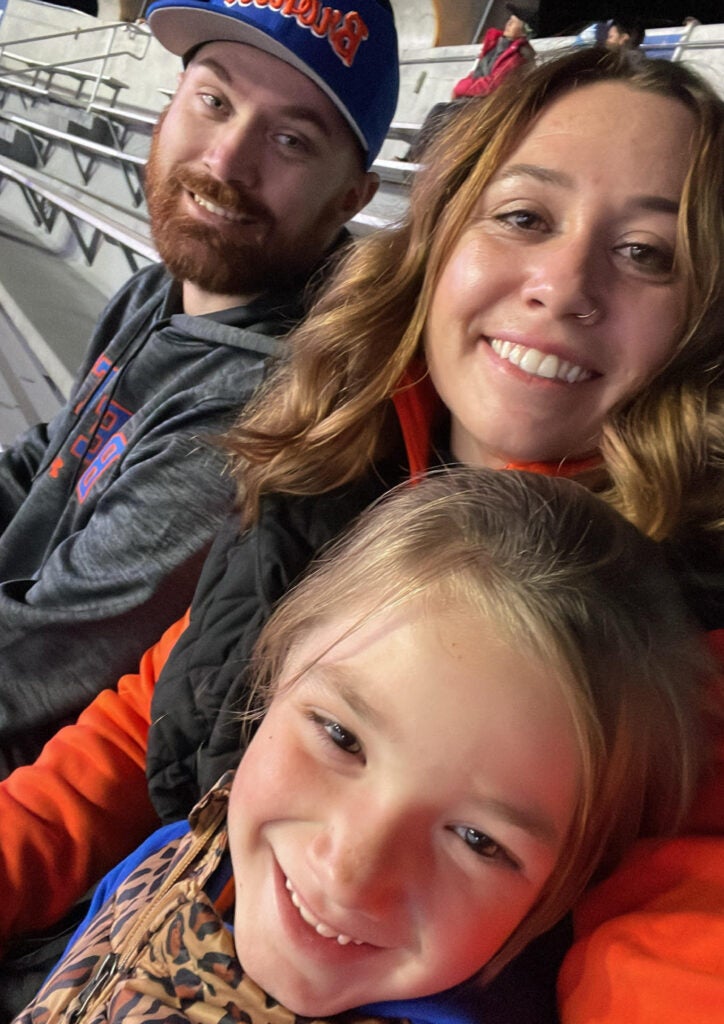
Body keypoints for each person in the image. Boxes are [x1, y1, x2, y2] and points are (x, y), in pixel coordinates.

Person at [0, 44, 723, 1023]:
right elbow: (159, 703)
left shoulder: (691, 644)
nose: (562, 283)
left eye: (647, 253)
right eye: (522, 217)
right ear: (438, 238)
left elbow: (680, 939)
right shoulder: (339, 445)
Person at [13, 467, 707, 1021]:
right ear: (274, 674)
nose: (351, 870)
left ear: (556, 894)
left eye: (476, 839)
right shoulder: (185, 855)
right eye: (341, 738)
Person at [0, 0, 397, 774]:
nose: (225, 161)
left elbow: (39, 664)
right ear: (171, 104)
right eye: (214, 102)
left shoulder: (269, 401)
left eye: (290, 139)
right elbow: (44, 465)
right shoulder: (161, 290)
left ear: (351, 198)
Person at [406, 4, 536, 162]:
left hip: (489, 104)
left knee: (445, 114)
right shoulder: (497, 45)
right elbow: (477, 72)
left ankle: (419, 158)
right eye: (509, 20)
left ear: (524, 31)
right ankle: (413, 157)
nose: (508, 24)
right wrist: (464, 85)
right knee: (440, 110)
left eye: (514, 22)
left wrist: (462, 87)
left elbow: (494, 85)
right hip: (473, 99)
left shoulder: (518, 56)